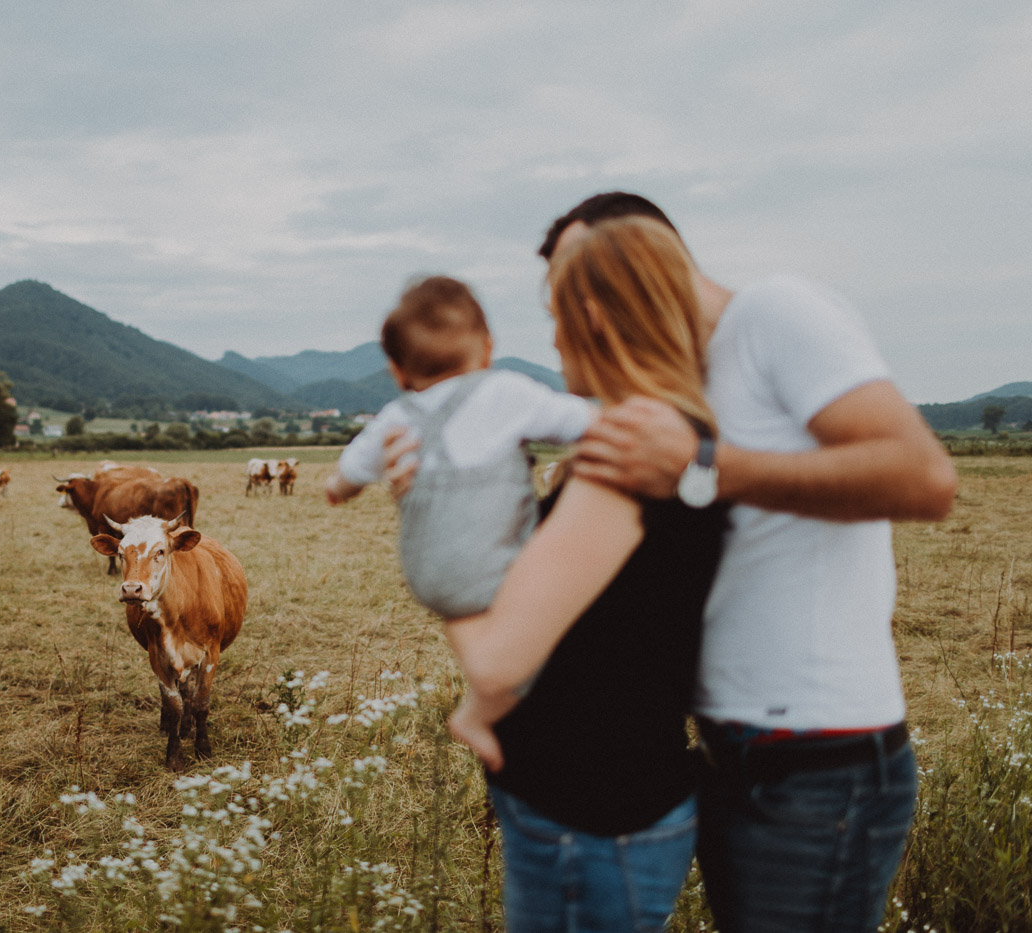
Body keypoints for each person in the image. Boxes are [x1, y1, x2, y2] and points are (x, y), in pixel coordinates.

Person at [519, 192, 956, 932]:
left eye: (585, 279)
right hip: (725, 757)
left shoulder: (775, 316)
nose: (574, 313)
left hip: (818, 764)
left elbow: (923, 477)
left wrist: (706, 466)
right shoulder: (673, 384)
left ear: (649, 251)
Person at [439, 216, 731, 932]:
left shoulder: (624, 460)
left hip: (589, 814)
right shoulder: (676, 433)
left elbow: (500, 660)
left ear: (593, 317)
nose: (554, 338)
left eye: (555, 315)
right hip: (614, 802)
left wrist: (437, 540)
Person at [325, 275, 597, 620]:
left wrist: (336, 489)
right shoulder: (507, 393)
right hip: (506, 574)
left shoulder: (396, 417)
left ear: (396, 371)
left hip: (428, 582)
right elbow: (583, 421)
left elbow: (351, 471)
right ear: (488, 348)